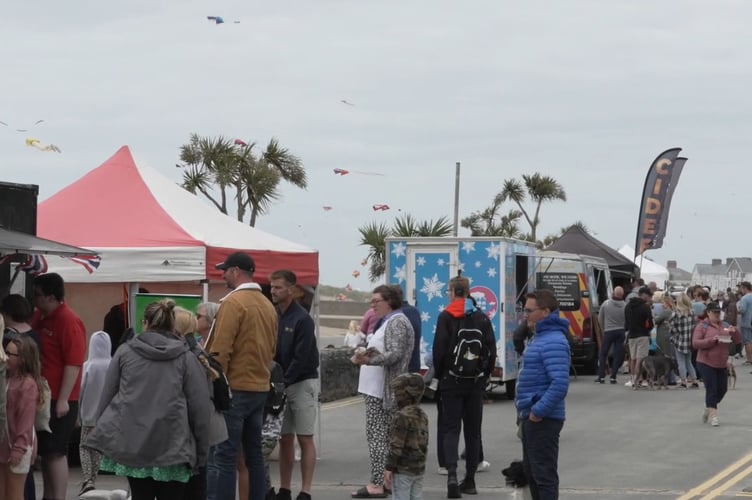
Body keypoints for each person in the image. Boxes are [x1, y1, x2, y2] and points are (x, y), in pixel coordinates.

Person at [84, 299, 211, 500]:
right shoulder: (186, 358)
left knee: (140, 494)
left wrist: (102, 433)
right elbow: (200, 408)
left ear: (145, 323)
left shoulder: (125, 352)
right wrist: (201, 451)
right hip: (174, 446)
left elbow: (108, 396)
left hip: (134, 443)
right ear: (172, 324)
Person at [205, 252, 278, 500]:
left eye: (225, 270)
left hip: (234, 387)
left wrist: (214, 383)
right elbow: (272, 349)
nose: (222, 274)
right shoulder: (267, 305)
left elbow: (220, 350)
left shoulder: (233, 303)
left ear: (236, 271)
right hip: (259, 386)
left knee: (223, 454)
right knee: (253, 455)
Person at [432, 275, 496, 498]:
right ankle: (470, 480)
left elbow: (438, 351)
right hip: (475, 383)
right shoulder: (481, 317)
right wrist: (483, 375)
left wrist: (441, 376)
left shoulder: (445, 316)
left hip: (451, 381)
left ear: (452, 292)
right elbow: (491, 350)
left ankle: (451, 475)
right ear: (469, 292)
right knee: (472, 431)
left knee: (451, 429)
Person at [350, 285, 414, 499]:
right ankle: (386, 481)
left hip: (382, 391)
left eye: (377, 300)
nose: (372, 304)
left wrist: (369, 359)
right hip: (378, 389)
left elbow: (395, 354)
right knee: (384, 437)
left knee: (377, 437)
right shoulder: (391, 321)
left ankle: (378, 483)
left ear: (390, 301)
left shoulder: (396, 322)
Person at [30, 272, 86, 500]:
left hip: (60, 397)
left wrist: (63, 399)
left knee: (56, 451)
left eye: (38, 296)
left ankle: (58, 496)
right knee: (46, 450)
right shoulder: (40, 317)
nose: (35, 300)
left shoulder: (68, 320)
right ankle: (49, 495)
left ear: (51, 297)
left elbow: (73, 362)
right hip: (44, 393)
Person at [516, 289, 570, 500]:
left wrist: (538, 411)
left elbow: (559, 384)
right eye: (524, 310)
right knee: (533, 474)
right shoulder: (540, 338)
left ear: (545, 312)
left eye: (529, 311)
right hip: (532, 415)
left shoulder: (553, 341)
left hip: (543, 418)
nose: (525, 315)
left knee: (543, 475)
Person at [270, 269, 319, 500]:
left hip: (301, 382)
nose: (273, 291)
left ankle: (306, 490)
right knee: (284, 437)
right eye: (272, 287)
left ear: (291, 289)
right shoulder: (275, 316)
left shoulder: (303, 319)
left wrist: (284, 382)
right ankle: (285, 488)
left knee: (305, 437)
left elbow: (301, 357)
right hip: (281, 382)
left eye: (278, 287)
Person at [174, 307, 229, 500]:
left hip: (203, 424)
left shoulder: (191, 355)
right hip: (207, 423)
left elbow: (197, 401)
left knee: (207, 469)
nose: (198, 319)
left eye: (200, 316)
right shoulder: (197, 349)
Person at [0, 335, 41, 500]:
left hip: (19, 446)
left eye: (11, 354)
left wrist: (19, 448)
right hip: (4, 445)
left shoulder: (27, 385)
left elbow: (26, 420)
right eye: (5, 352)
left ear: (23, 359)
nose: (6, 357)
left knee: (15, 494)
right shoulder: (7, 379)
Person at [692, 302, 741, 427]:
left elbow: (737, 340)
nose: (717, 315)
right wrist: (711, 340)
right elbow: (696, 343)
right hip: (705, 362)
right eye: (714, 312)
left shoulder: (725, 325)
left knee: (722, 389)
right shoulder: (702, 326)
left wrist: (734, 332)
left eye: (719, 313)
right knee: (712, 388)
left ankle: (709, 406)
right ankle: (714, 416)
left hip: (721, 363)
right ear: (708, 313)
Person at [384, 373, 428, 500]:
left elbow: (396, 445)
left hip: (403, 469)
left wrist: (389, 467)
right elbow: (424, 443)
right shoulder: (422, 415)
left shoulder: (401, 416)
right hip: (418, 469)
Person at [78, 331, 112, 495]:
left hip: (88, 414)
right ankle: (93, 477)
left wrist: (78, 413)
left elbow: (81, 391)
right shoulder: (113, 365)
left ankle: (87, 479)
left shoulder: (87, 366)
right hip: (106, 416)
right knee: (98, 449)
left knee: (85, 446)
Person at [624, 286, 654, 389]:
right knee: (640, 359)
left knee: (632, 358)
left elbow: (626, 322)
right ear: (644, 295)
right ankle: (638, 380)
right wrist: (648, 329)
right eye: (649, 295)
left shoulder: (628, 306)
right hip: (642, 335)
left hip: (631, 335)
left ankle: (632, 379)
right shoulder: (645, 307)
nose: (650, 298)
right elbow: (650, 324)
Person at [596, 286, 626, 384]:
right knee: (617, 354)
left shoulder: (606, 304)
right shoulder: (625, 306)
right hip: (621, 331)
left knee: (603, 353)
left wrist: (604, 328)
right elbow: (626, 320)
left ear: (613, 293)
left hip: (608, 331)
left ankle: (601, 376)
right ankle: (613, 376)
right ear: (622, 295)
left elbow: (600, 318)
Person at [670, 294, 699, 388]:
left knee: (681, 362)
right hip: (690, 340)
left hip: (679, 341)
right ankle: (694, 380)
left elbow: (672, 329)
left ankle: (683, 381)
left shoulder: (675, 314)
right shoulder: (692, 312)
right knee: (688, 361)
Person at [735, 282, 752, 365]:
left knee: (747, 341)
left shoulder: (744, 298)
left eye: (741, 288)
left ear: (745, 288)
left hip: (746, 322)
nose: (741, 290)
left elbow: (742, 310)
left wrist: (738, 309)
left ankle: (749, 359)